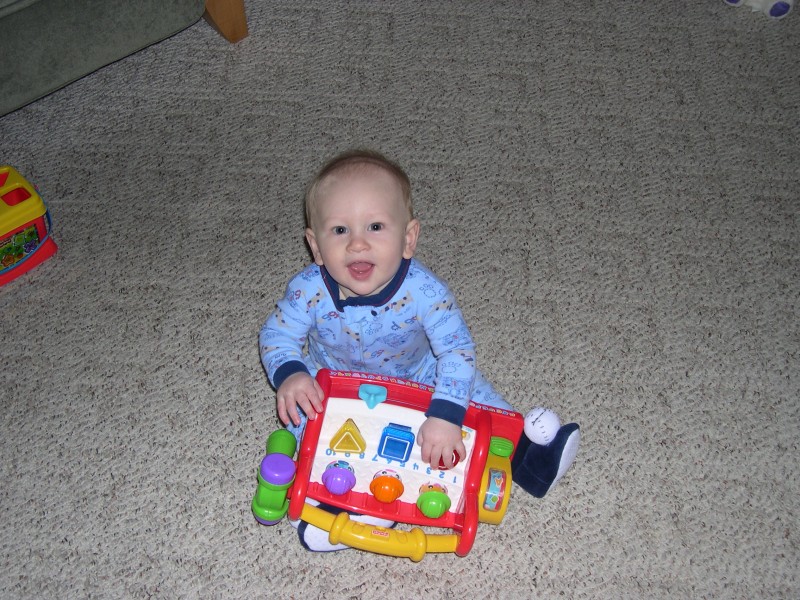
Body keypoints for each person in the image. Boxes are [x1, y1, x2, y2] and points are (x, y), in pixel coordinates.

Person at [260, 149, 580, 551]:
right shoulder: (307, 289)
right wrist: (291, 373)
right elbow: (277, 335)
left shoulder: (426, 292)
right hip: (333, 384)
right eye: (339, 230)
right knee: (306, 421)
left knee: (476, 398)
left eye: (375, 226)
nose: (358, 244)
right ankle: (331, 506)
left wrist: (446, 414)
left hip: (418, 375)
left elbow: (457, 350)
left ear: (408, 238)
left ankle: (531, 458)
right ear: (316, 245)